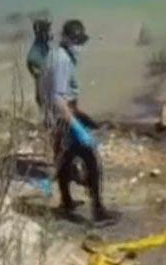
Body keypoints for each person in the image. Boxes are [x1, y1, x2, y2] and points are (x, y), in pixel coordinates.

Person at [40, 19, 117, 223]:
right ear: (65, 38)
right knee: (92, 161)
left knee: (64, 160)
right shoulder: (63, 60)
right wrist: (77, 126)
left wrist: (84, 119)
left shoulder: (54, 55)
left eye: (80, 40)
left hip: (56, 118)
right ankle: (98, 212)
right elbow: (59, 98)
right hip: (64, 118)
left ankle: (66, 203)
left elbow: (46, 92)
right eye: (75, 40)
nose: (79, 45)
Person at [26, 19, 51, 109]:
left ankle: (43, 108)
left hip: (33, 60)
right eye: (48, 29)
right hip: (36, 62)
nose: (50, 32)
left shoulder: (40, 37)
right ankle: (44, 109)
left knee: (42, 86)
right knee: (42, 87)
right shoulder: (42, 36)